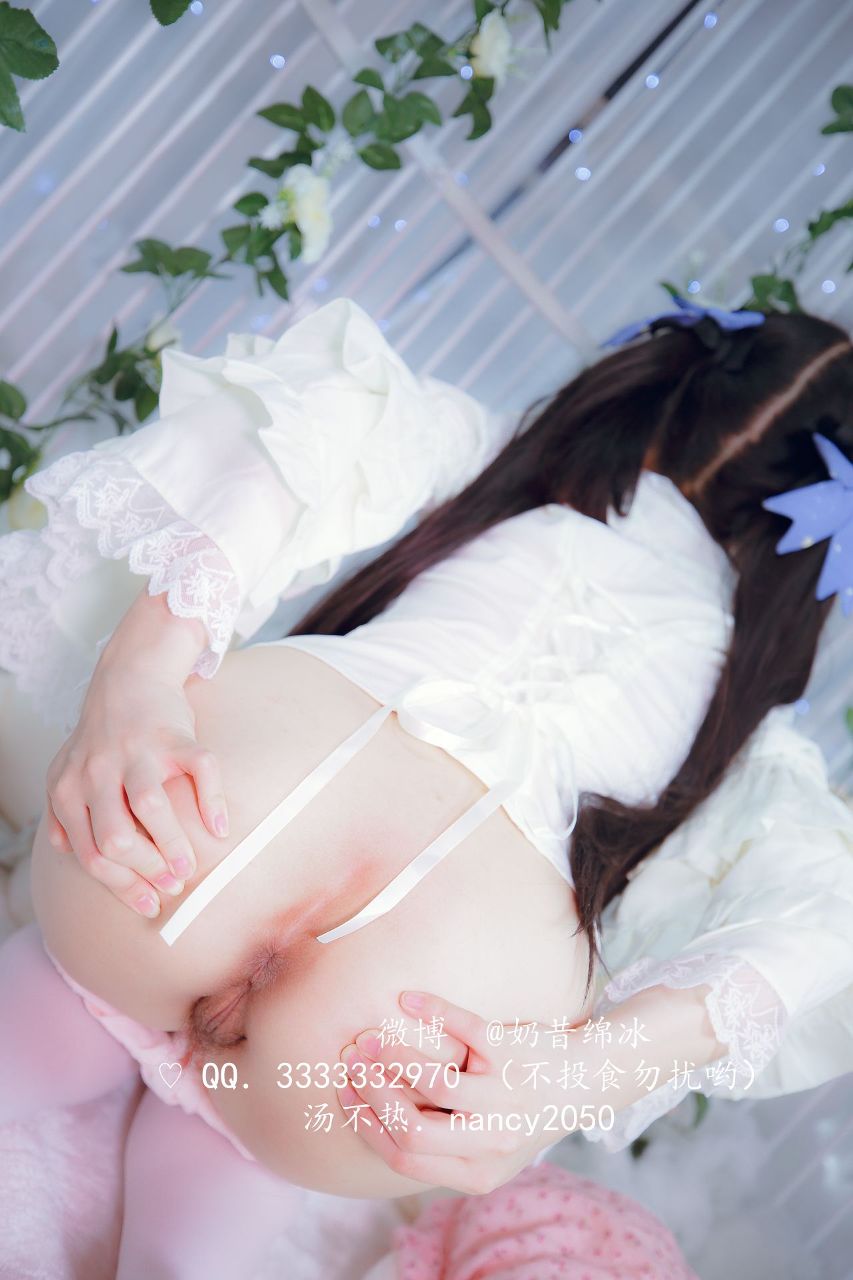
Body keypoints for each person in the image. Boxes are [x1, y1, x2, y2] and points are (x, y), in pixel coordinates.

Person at [0, 295, 851, 1271]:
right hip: (365, 1074)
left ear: (660, 387)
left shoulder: (508, 466)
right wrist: (583, 1070)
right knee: (200, 1226)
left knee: (62, 999)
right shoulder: (745, 718)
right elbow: (827, 926)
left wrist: (142, 677)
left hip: (186, 852)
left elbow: (313, 418)